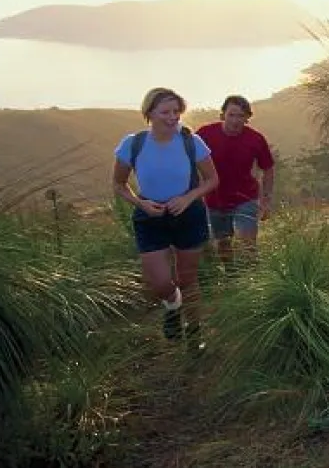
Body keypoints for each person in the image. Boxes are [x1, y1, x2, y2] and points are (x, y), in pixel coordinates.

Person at [112, 87, 219, 345]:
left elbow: (212, 179)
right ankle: (173, 305)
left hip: (188, 214)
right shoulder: (133, 144)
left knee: (188, 279)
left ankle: (195, 334)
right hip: (150, 217)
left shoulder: (192, 142)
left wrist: (188, 198)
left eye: (176, 112)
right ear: (149, 113)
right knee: (160, 284)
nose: (172, 117)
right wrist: (141, 203)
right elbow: (118, 184)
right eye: (165, 112)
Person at [196, 95, 276, 267]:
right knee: (223, 245)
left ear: (247, 118)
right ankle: (231, 275)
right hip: (214, 199)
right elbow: (189, 160)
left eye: (241, 116)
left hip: (245, 198)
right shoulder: (204, 134)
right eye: (231, 115)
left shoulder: (255, 139)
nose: (235, 120)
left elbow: (268, 168)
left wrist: (266, 199)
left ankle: (252, 278)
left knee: (247, 246)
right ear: (222, 115)